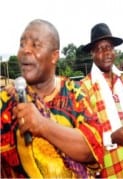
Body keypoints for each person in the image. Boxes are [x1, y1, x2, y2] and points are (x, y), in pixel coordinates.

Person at [0, 19, 104, 178]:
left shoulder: (73, 94)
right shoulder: (5, 102)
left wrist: (42, 124)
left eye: (35, 45)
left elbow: (92, 149)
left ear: (54, 56)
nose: (25, 51)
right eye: (22, 44)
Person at [80, 23, 123, 178]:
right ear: (92, 53)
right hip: (109, 168)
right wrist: (111, 137)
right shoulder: (85, 88)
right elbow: (83, 135)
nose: (106, 53)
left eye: (109, 47)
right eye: (100, 48)